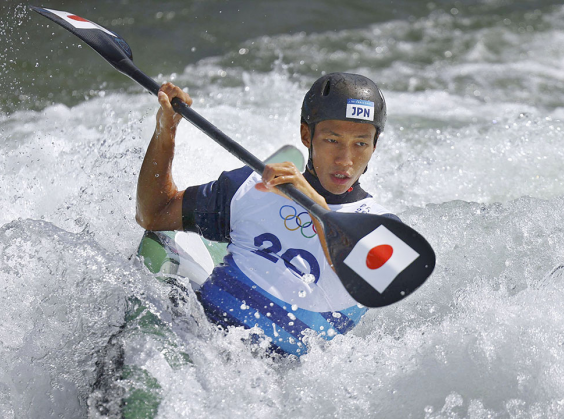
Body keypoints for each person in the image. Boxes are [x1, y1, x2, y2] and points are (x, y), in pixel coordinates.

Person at [136, 73, 400, 356]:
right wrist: (166, 133)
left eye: (360, 143)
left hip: (277, 382)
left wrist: (314, 205)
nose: (345, 159)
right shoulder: (252, 187)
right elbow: (154, 214)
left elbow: (373, 280)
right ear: (306, 135)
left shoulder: (384, 228)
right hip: (197, 338)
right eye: (332, 140)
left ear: (374, 145)